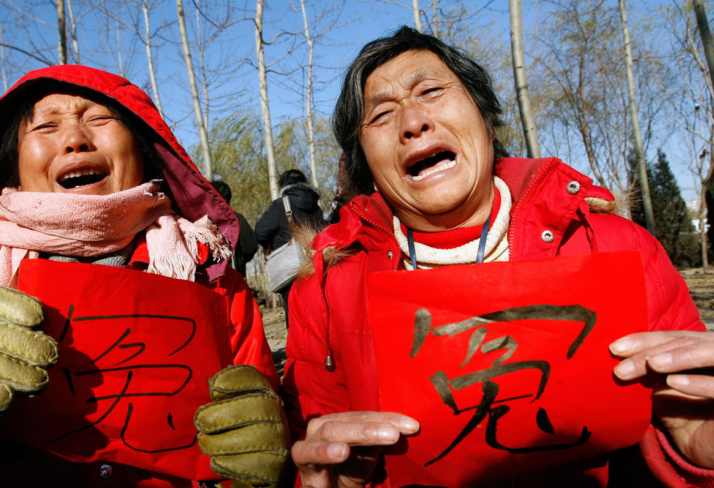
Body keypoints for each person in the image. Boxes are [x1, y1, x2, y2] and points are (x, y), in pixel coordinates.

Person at [283, 26, 714, 487]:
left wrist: (698, 452)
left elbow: (679, 432)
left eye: (430, 91)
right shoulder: (325, 294)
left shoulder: (617, 247)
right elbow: (319, 450)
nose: (412, 123)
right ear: (364, 161)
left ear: (485, 117)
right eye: (382, 115)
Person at [0, 66, 289, 487]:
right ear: (10, 167)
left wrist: (257, 462)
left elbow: (262, 437)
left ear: (145, 152)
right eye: (45, 127)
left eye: (99, 119)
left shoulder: (208, 279)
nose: (75, 139)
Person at [255, 169, 325, 317]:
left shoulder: (281, 205)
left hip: (290, 274)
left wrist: (275, 244)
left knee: (295, 320)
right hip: (317, 269)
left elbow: (261, 232)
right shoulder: (317, 208)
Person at [210, 180, 257, 274]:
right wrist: (239, 261)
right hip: (234, 276)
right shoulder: (237, 219)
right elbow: (250, 247)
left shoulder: (200, 222)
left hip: (207, 279)